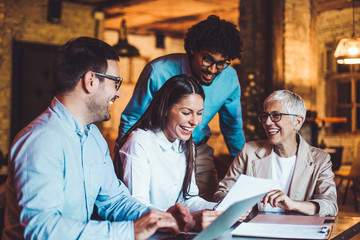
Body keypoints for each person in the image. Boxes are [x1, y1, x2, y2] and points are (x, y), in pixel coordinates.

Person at [2, 37, 182, 240]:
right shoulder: (40, 140)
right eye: (116, 83)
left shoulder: (94, 137)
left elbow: (114, 200)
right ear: (91, 81)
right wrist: (130, 232)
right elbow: (41, 229)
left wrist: (160, 218)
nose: (119, 93)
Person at [115, 15, 245, 201]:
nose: (213, 70)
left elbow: (232, 129)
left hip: (197, 150)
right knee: (146, 206)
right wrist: (122, 162)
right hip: (154, 150)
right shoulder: (158, 71)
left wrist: (244, 169)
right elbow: (132, 119)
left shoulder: (229, 78)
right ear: (193, 49)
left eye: (221, 63)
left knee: (207, 207)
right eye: (207, 60)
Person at [118, 74, 221, 231]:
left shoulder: (188, 144)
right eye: (187, 113)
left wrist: (220, 209)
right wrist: (183, 220)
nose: (195, 121)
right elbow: (136, 205)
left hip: (175, 232)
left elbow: (189, 198)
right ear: (165, 109)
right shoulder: (139, 141)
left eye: (199, 113)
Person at [214, 90, 338, 216]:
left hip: (297, 231)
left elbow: (330, 206)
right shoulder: (248, 152)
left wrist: (294, 204)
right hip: (255, 230)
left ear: (298, 122)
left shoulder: (320, 159)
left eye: (276, 115)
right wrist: (238, 206)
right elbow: (221, 193)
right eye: (265, 116)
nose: (267, 122)